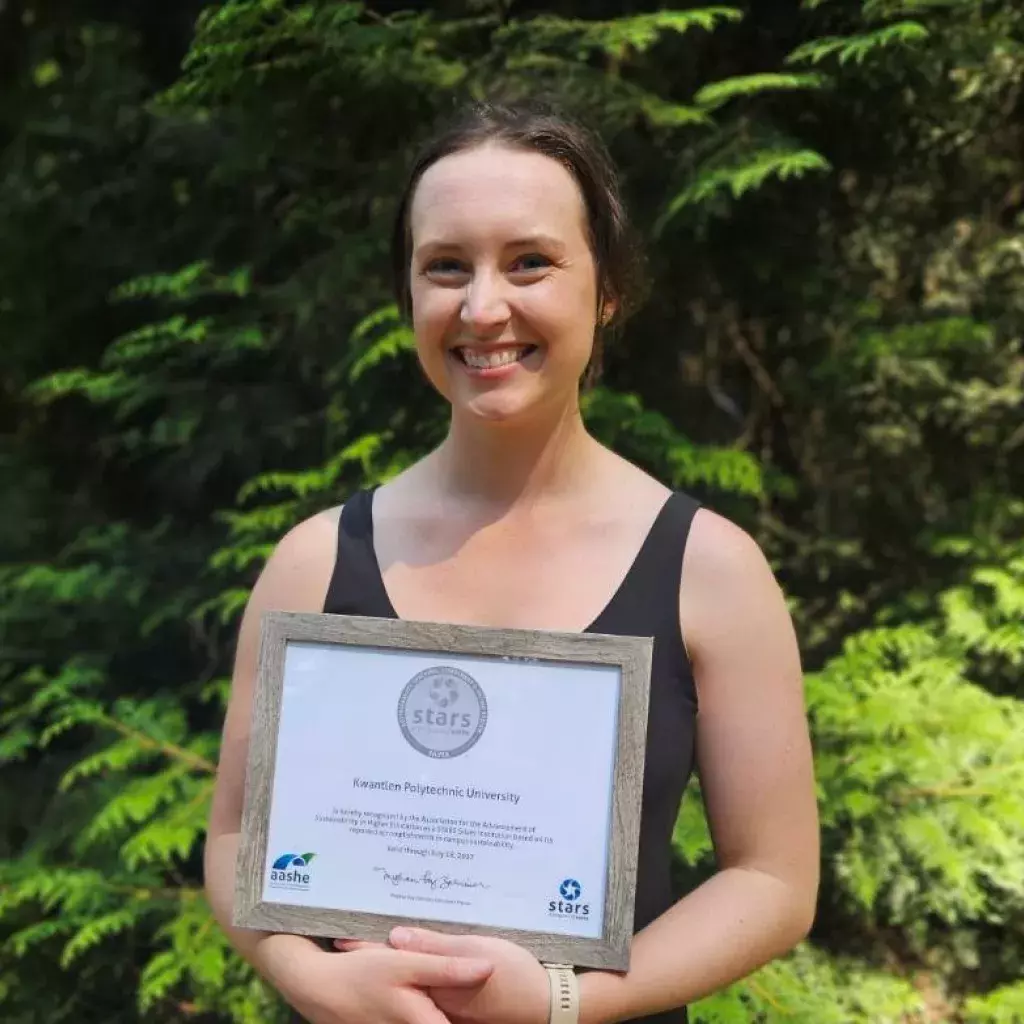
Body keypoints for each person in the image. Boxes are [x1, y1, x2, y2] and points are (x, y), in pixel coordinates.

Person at [203, 100, 820, 1024]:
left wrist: (564, 1001)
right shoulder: (315, 561)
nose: (483, 306)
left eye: (529, 262)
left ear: (606, 288)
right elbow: (236, 833)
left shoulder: (710, 571)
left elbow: (774, 879)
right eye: (445, 266)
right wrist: (318, 981)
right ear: (409, 294)